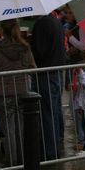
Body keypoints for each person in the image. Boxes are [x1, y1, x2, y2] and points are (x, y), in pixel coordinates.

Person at [0, 19, 37, 166]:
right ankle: (22, 161)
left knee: (9, 130)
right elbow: (33, 67)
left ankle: (12, 163)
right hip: (22, 90)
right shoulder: (25, 47)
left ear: (2, 31)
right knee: (20, 128)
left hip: (3, 92)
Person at [30, 10, 67, 160]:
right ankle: (57, 142)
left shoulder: (41, 24)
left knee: (48, 112)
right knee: (55, 109)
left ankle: (50, 150)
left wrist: (30, 43)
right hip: (56, 71)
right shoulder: (56, 21)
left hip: (45, 72)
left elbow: (39, 51)